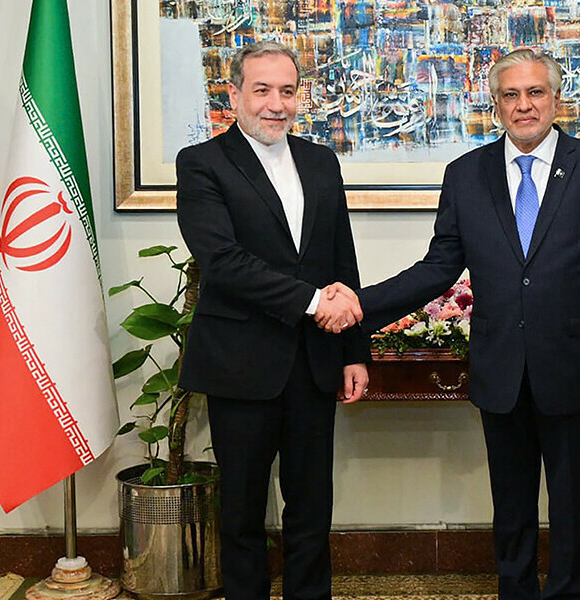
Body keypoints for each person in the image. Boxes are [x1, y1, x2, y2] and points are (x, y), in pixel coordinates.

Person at [335, 48, 580, 600]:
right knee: (512, 505)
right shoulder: (465, 175)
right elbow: (439, 266)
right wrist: (361, 305)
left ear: (555, 98)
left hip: (572, 369)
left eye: (535, 93)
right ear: (495, 104)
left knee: (571, 505)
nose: (524, 106)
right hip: (500, 370)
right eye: (511, 95)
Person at [175, 41, 370, 600]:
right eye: (261, 90)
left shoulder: (320, 160)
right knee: (241, 512)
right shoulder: (202, 164)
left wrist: (355, 351)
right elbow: (224, 264)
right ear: (234, 94)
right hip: (241, 367)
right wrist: (314, 303)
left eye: (287, 91)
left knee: (312, 509)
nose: (275, 104)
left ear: (299, 95)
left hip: (315, 363)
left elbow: (341, 260)